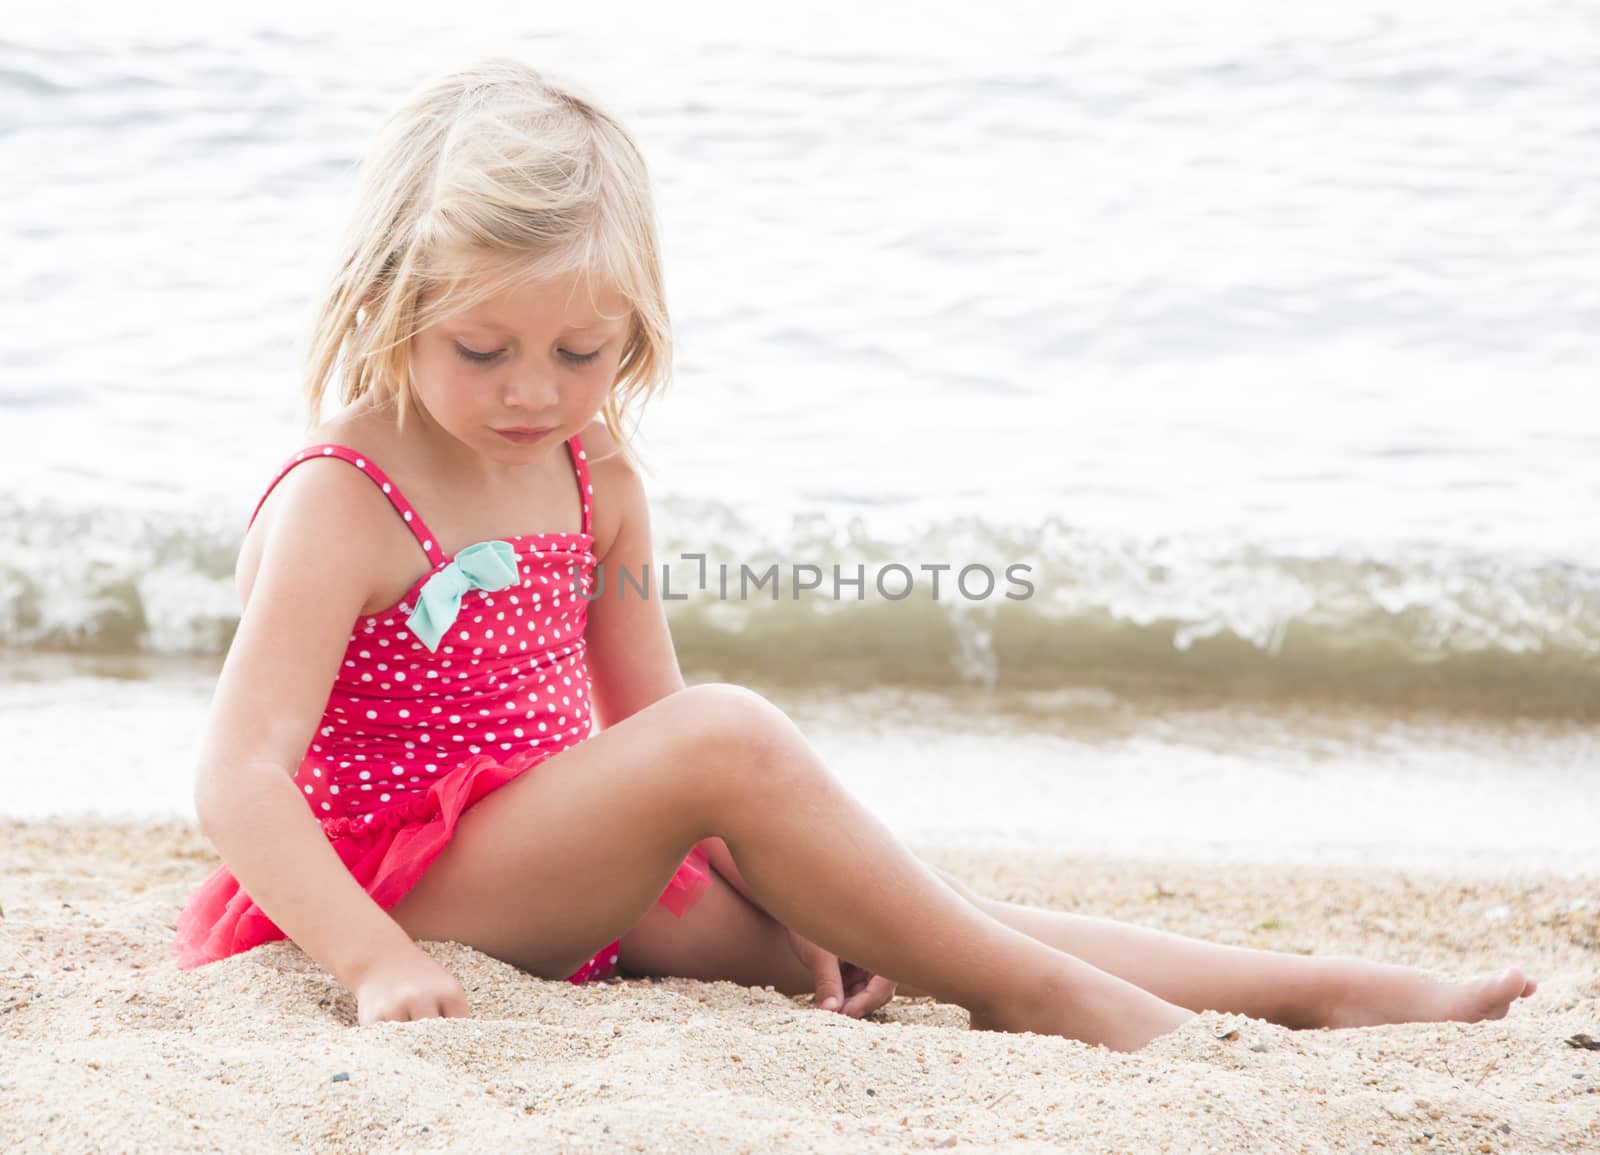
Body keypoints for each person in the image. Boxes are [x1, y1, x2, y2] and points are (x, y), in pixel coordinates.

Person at [173, 58, 1537, 1052]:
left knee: (909, 914)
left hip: (574, 862)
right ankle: (1047, 1003)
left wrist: (785, 879)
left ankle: (1314, 991)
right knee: (738, 737)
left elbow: (641, 733)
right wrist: (373, 961)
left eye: (580, 353)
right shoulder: (347, 494)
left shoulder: (599, 467)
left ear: (633, 333)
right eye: (484, 350)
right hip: (404, 881)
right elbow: (237, 778)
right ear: (393, 304)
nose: (535, 391)